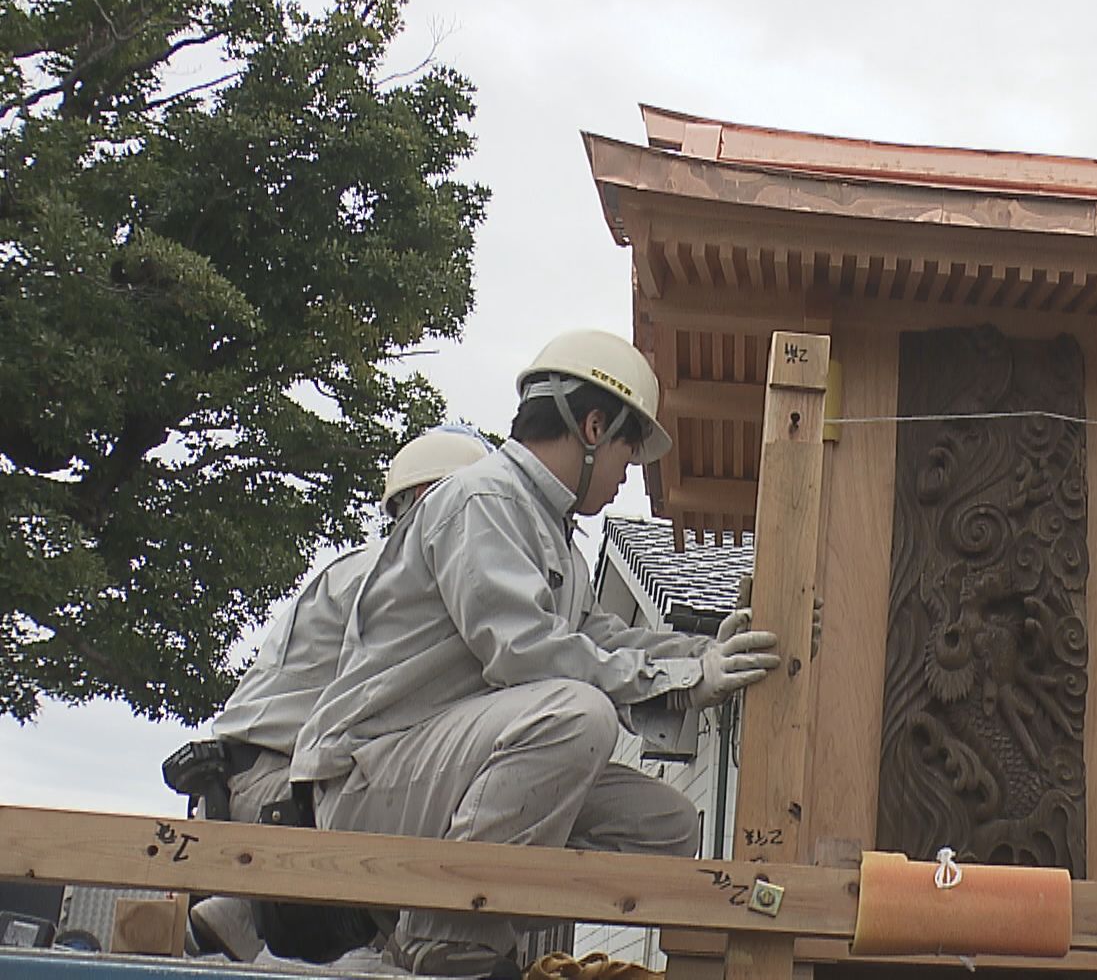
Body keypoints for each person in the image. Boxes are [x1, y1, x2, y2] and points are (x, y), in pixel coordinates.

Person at [291, 329, 783, 978]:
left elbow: (603, 639)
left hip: (448, 773)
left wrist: (706, 652)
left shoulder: (553, 538)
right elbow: (526, 654)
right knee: (577, 714)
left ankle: (457, 923)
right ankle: (444, 945)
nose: (626, 475)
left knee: (664, 825)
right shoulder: (484, 501)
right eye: (628, 453)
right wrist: (686, 677)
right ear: (593, 427)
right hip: (373, 779)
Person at [176, 426, 493, 963]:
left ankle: (243, 914)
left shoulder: (367, 568)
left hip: (251, 784)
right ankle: (410, 947)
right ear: (429, 500)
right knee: (459, 771)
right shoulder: (402, 581)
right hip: (281, 791)